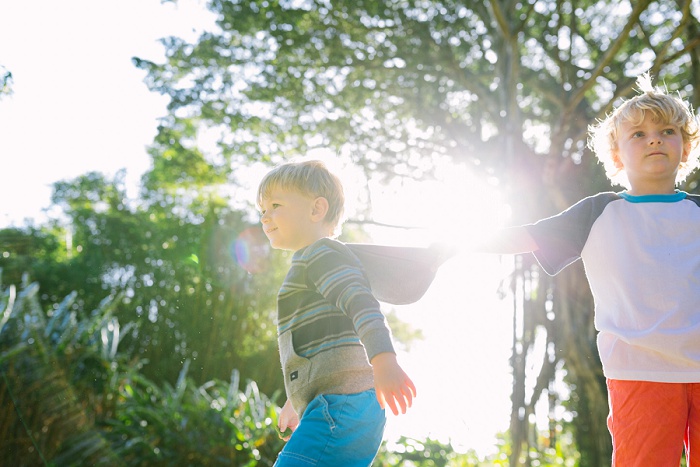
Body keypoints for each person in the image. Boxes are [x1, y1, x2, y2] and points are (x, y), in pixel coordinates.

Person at [476, 73, 700, 465]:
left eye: (667, 131)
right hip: (639, 370)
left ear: (685, 147)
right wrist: (456, 243)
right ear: (616, 155)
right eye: (638, 134)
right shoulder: (599, 211)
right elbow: (527, 236)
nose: (655, 139)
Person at [257, 159, 420, 467]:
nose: (265, 216)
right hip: (336, 404)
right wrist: (298, 398)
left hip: (342, 404)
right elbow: (321, 341)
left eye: (275, 205)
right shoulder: (312, 262)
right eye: (262, 210)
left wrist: (383, 359)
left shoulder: (321, 254)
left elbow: (360, 303)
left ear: (316, 210)